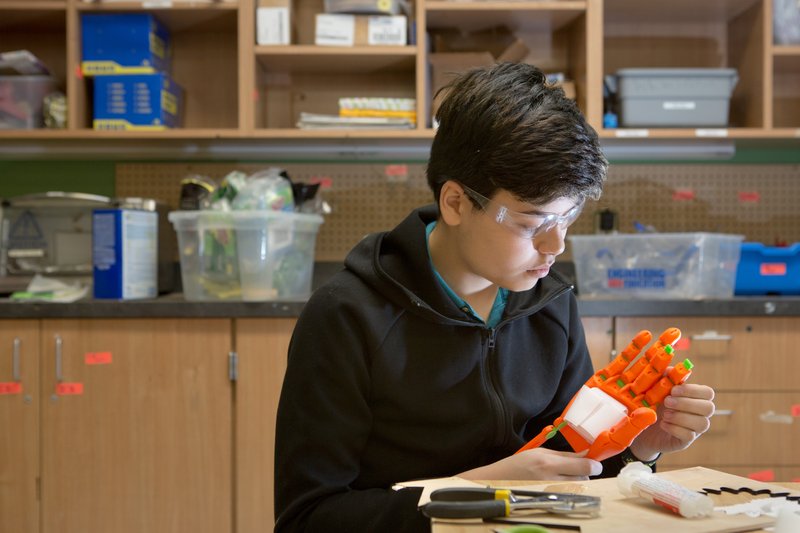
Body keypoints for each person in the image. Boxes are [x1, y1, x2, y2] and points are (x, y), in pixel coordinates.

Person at [274, 62, 716, 532]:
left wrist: (636, 448)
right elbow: (308, 518)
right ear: (456, 203)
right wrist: (475, 492)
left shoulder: (550, 302)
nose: (555, 247)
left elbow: (571, 478)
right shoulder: (347, 316)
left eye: (567, 220)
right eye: (532, 224)